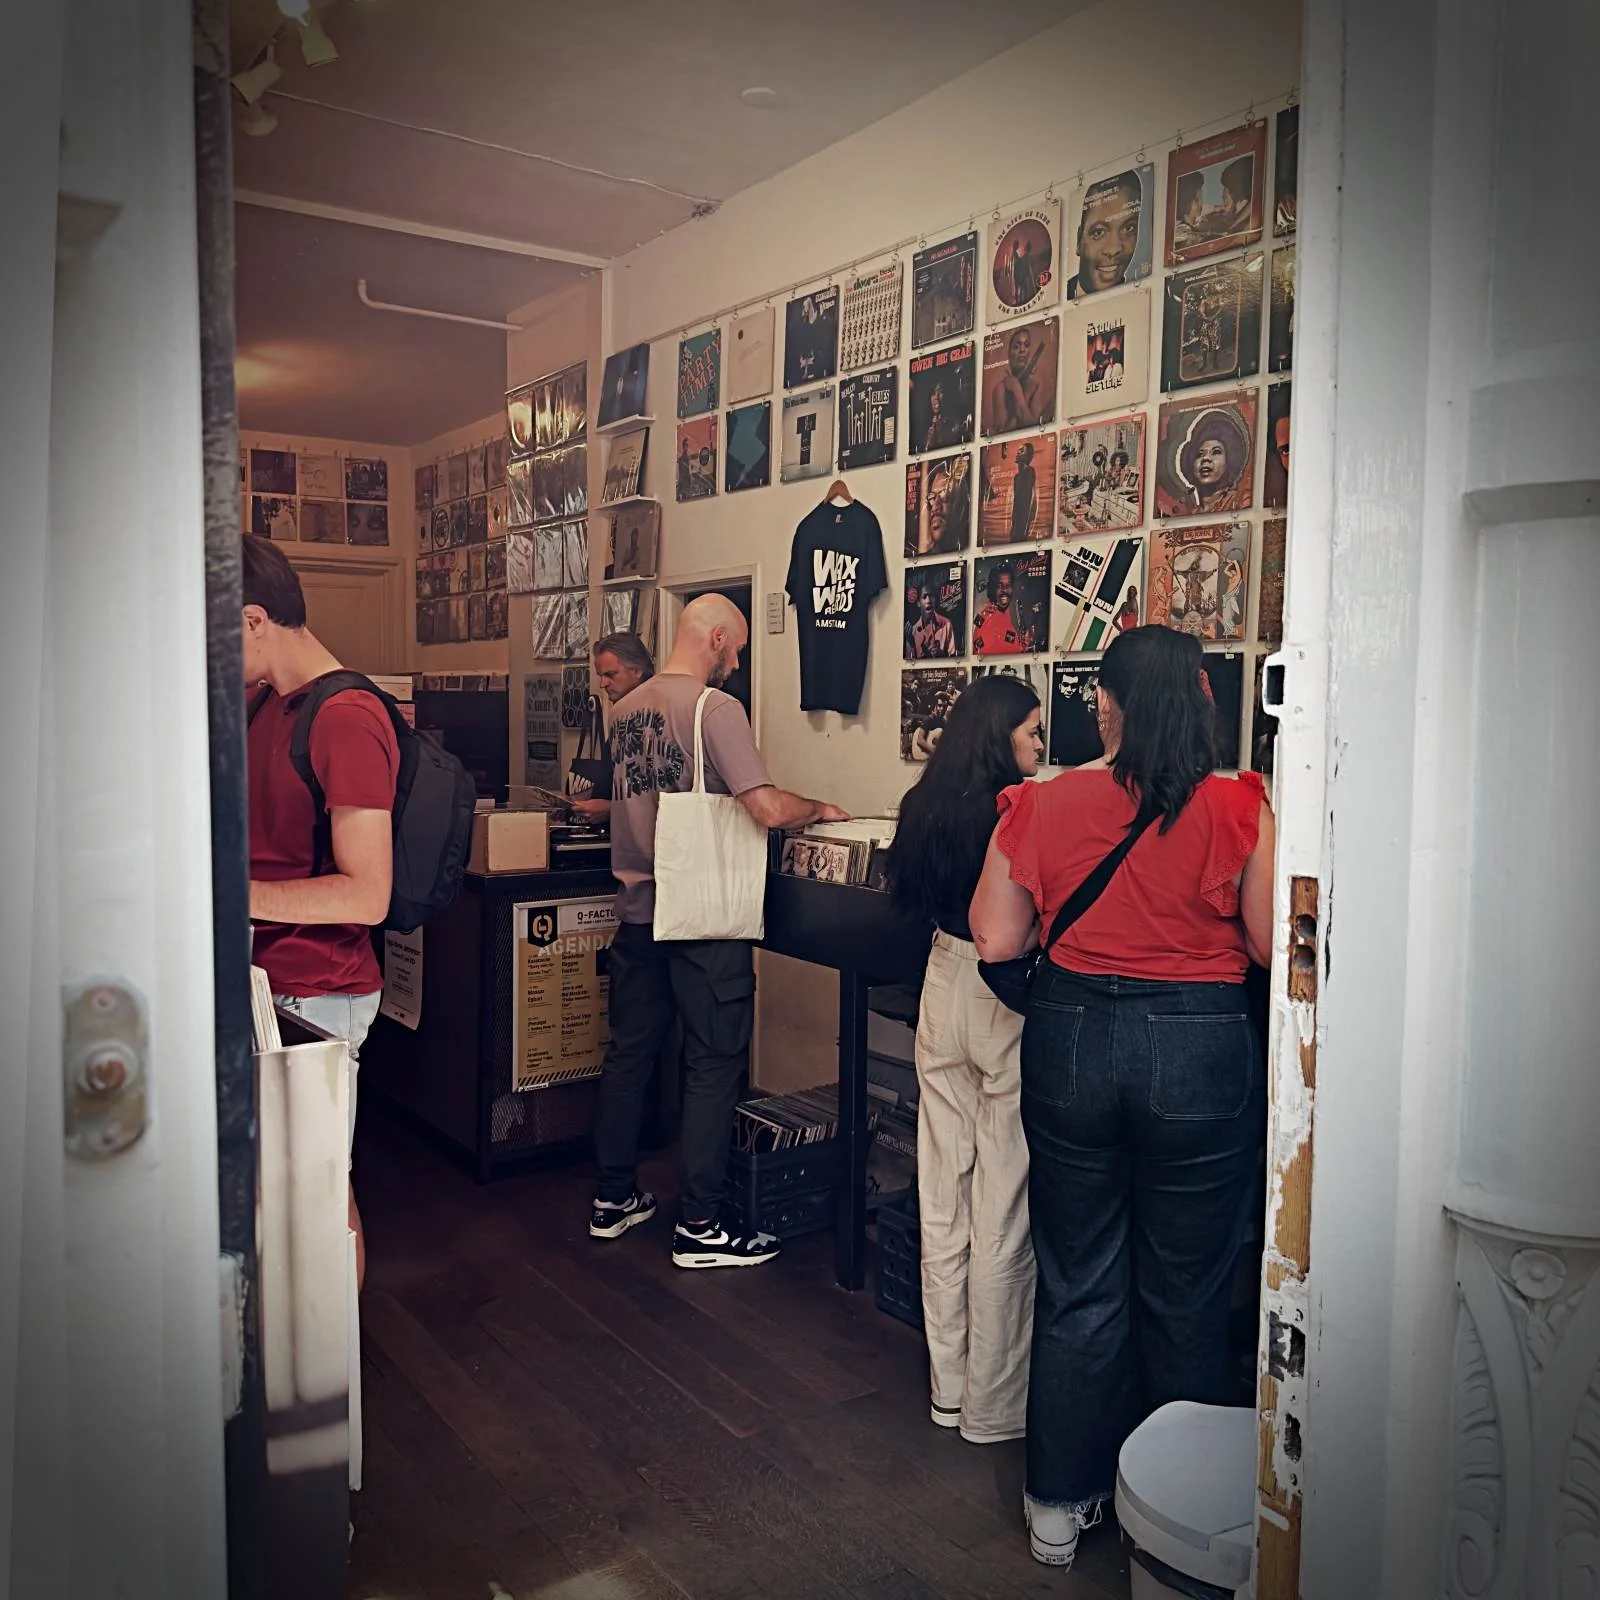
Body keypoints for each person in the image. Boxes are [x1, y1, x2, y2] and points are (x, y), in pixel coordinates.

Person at [969, 625, 1274, 1570]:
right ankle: (1172, 1511)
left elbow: (993, 937)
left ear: (1106, 703)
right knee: (1185, 1289)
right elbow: (1268, 944)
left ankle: (1058, 1503)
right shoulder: (1241, 804)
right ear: (1204, 702)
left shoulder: (1043, 801)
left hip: (1070, 1047)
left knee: (1078, 1277)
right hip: (1197, 1049)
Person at [590, 594, 849, 1268]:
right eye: (732, 649)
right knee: (712, 1062)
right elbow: (762, 806)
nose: (734, 663)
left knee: (630, 1055)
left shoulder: (624, 711)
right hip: (701, 914)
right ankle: (701, 1224)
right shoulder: (715, 709)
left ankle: (613, 1198)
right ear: (713, 637)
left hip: (637, 911)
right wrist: (819, 806)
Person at [886, 675, 1044, 1445]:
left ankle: (947, 1389)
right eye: (1033, 732)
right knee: (1003, 1205)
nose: (1042, 746)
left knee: (941, 1192)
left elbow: (903, 898)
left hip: (940, 977)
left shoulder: (923, 804)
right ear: (1001, 735)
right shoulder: (1017, 811)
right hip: (999, 990)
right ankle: (993, 1406)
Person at [242, 534, 398, 1294]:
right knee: (295, 1187)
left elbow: (367, 893)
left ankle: (333, 1387)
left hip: (319, 989)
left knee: (319, 1194)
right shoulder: (265, 704)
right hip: (272, 979)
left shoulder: (344, 716)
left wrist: (234, 899)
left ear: (251, 620)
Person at [565, 632, 656, 823]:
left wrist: (611, 809)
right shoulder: (622, 714)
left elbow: (655, 793)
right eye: (601, 675)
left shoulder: (654, 717)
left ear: (637, 670)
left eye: (610, 674)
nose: (603, 683)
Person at [1068, 171, 1144, 297]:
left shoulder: (1138, 298)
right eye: (1098, 232)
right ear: (1079, 240)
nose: (1114, 249)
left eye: (1128, 228)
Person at [1173, 406, 1252, 513]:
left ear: (1230, 461)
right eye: (1199, 454)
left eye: (1216, 452)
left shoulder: (1242, 501)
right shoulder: (1191, 513)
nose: (1206, 459)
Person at [994, 327, 1048, 432]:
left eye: (1026, 345)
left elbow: (1035, 427)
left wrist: (1018, 392)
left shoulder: (1036, 384)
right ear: (1009, 353)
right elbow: (1001, 433)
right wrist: (1020, 392)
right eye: (1016, 346)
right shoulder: (1000, 388)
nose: (1022, 350)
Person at [905, 576, 957, 659]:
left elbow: (955, 657)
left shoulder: (947, 624)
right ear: (918, 602)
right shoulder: (913, 631)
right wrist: (910, 644)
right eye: (924, 597)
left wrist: (941, 654)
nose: (928, 600)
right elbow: (910, 662)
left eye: (931, 596)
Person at [1008, 442, 1038, 544]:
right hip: (1016, 517)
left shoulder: (1029, 472)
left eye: (1022, 451)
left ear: (1027, 455)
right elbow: (1016, 500)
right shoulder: (1017, 477)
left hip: (1024, 517)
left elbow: (1031, 496)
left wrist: (1028, 520)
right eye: (1018, 450)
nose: (1018, 452)